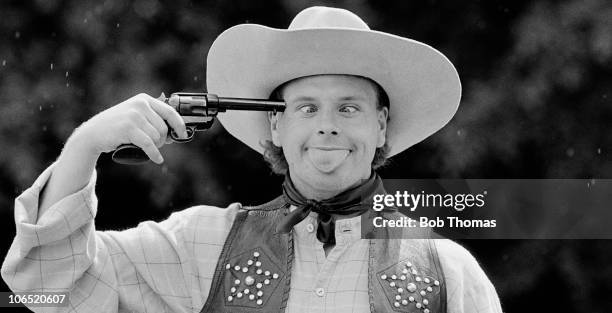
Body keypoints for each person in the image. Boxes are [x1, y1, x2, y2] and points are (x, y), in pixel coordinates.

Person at [2, 6, 502, 313]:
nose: (327, 124)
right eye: (306, 107)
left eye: (348, 107)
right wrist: (87, 144)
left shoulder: (448, 273)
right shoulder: (201, 247)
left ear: (381, 127)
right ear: (277, 127)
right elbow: (47, 286)